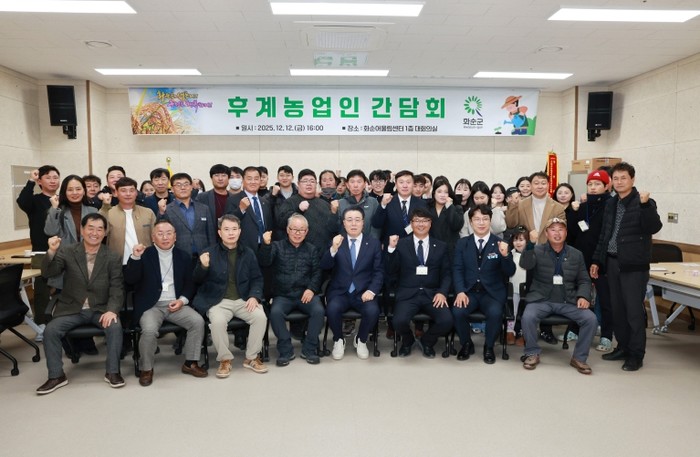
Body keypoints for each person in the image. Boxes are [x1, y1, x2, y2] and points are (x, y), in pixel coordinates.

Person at [37, 213, 125, 394]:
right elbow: (48, 273)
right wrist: (51, 251)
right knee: (51, 330)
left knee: (115, 326)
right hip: (72, 308)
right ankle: (56, 376)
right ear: (82, 230)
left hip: (100, 309)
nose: (95, 233)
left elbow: (117, 287)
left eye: (99, 229)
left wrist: (112, 310)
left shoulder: (112, 256)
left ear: (105, 233)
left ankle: (113, 372)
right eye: (90, 228)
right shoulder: (67, 251)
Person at [591, 162, 662, 371]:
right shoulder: (611, 203)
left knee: (633, 311)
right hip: (612, 262)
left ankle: (636, 354)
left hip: (634, 266)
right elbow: (604, 235)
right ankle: (622, 347)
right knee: (617, 310)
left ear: (632, 179)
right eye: (616, 178)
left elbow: (654, 227)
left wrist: (645, 205)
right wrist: (597, 260)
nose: (619, 182)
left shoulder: (644, 201)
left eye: (624, 178)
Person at [123, 220, 207, 386]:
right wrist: (135, 257)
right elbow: (130, 280)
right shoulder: (144, 254)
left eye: (169, 233)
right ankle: (146, 368)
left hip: (176, 303)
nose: (165, 237)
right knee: (149, 330)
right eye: (160, 234)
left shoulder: (183, 256)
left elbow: (190, 284)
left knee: (197, 322)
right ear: (153, 237)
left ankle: (190, 363)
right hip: (151, 306)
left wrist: (182, 300)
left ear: (175, 236)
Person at [193, 215, 268, 377]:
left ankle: (252, 357)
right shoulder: (208, 253)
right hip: (217, 301)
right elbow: (196, 280)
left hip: (243, 299)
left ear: (240, 231)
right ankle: (225, 360)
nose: (231, 233)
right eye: (226, 229)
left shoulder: (248, 253)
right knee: (218, 322)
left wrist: (254, 296)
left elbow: (257, 278)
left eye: (234, 229)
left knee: (260, 317)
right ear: (220, 232)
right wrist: (203, 266)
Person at [519, 218, 597, 374]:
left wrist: (583, 296)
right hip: (541, 299)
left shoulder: (576, 254)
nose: (557, 233)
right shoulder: (537, 250)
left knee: (590, 319)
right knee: (528, 316)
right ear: (546, 233)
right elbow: (525, 264)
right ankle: (532, 353)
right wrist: (530, 245)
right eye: (553, 229)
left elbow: (584, 280)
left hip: (567, 300)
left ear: (566, 233)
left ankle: (579, 358)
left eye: (561, 229)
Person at [259, 214, 325, 366]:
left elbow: (317, 273)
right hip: (283, 295)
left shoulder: (312, 249)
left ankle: (310, 348)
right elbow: (264, 261)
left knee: (318, 311)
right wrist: (266, 245)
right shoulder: (277, 246)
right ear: (288, 230)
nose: (297, 233)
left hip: (305, 294)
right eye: (294, 229)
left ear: (306, 231)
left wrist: (311, 289)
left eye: (301, 230)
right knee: (275, 313)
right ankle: (285, 350)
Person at [452, 205, 515, 364]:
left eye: (485, 219)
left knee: (495, 313)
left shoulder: (500, 243)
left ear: (490, 221)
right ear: (471, 222)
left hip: (492, 293)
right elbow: (457, 269)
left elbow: (510, 271)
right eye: (477, 219)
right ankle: (467, 344)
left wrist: (506, 255)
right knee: (458, 311)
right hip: (469, 291)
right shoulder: (462, 243)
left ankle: (489, 347)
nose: (481, 223)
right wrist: (460, 291)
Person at [387, 207, 453, 358]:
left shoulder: (441, 246)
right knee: (398, 321)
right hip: (408, 293)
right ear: (411, 224)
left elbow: (447, 274)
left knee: (447, 321)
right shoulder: (401, 244)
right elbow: (391, 270)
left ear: (430, 223)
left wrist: (442, 292)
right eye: (417, 221)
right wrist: (391, 249)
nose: (421, 224)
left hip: (433, 294)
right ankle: (408, 341)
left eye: (425, 221)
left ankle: (427, 342)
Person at [44, 174, 99, 355]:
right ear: (64, 192)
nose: (74, 192)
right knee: (69, 308)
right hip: (65, 266)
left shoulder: (92, 211)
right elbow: (50, 231)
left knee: (86, 304)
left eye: (78, 188)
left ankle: (86, 342)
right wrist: (54, 208)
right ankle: (70, 344)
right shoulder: (58, 211)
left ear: (84, 191)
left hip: (88, 265)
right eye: (70, 189)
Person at [321, 207, 383, 360]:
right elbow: (325, 266)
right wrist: (333, 249)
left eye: (357, 220)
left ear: (363, 223)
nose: (353, 223)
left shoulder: (373, 243)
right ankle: (338, 340)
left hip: (364, 292)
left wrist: (372, 291)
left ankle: (361, 339)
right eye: (349, 220)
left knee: (372, 310)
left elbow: (379, 271)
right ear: (344, 223)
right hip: (340, 292)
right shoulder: (337, 241)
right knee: (332, 308)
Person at [569, 169, 613, 351]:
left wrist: (597, 261)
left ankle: (606, 336)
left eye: (597, 184)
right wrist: (573, 211)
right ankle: (574, 328)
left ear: (606, 186)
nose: (593, 188)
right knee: (577, 296)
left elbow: (606, 237)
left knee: (605, 299)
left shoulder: (611, 206)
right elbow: (572, 232)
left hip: (602, 260)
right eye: (590, 184)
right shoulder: (583, 205)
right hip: (581, 259)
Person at [17, 165, 60, 328]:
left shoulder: (63, 199)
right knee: (42, 288)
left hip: (64, 249)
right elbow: (22, 201)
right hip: (41, 250)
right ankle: (41, 324)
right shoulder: (35, 200)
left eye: (55, 177)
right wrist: (30, 181)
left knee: (65, 286)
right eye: (48, 177)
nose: (53, 180)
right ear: (40, 181)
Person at [276, 169, 339, 252]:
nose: (309, 184)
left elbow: (332, 228)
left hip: (323, 252)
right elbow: (281, 223)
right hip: (298, 253)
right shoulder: (290, 202)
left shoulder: (324, 204)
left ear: (316, 184)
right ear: (298, 184)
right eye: (305, 181)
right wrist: (298, 211)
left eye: (312, 181)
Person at [161, 173, 216, 265]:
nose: (183, 188)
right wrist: (161, 213)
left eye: (186, 184)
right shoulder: (167, 210)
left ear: (191, 187)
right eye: (178, 185)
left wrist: (213, 255)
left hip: (203, 258)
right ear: (172, 189)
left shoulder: (204, 208)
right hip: (178, 258)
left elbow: (211, 235)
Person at [99, 177, 156, 264]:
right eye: (123, 191)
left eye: (131, 190)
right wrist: (104, 208)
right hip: (118, 263)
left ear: (136, 193)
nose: (128, 194)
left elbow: (156, 237)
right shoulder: (109, 213)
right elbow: (100, 232)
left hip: (146, 262)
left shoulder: (148, 212)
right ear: (116, 193)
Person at [372, 170, 428, 247]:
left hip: (414, 247)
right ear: (396, 184)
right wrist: (383, 205)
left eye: (408, 182)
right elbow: (376, 224)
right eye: (401, 182)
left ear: (413, 184)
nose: (405, 186)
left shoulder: (422, 204)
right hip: (392, 247)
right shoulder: (387, 202)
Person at [229, 166, 273, 251]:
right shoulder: (233, 200)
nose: (253, 182)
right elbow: (228, 223)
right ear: (243, 180)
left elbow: (269, 226)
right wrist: (241, 209)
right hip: (243, 250)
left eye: (256, 179)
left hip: (264, 248)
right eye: (249, 179)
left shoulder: (265, 202)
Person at [337, 169, 381, 239]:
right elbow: (338, 227)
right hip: (346, 242)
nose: (355, 185)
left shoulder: (373, 202)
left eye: (359, 182)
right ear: (347, 185)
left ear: (364, 184)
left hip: (369, 243)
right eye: (352, 182)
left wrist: (372, 242)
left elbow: (376, 226)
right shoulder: (340, 203)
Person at [427, 177, 464, 257]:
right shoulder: (427, 208)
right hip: (431, 251)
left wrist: (449, 207)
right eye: (439, 192)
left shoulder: (457, 208)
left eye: (446, 192)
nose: (443, 195)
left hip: (450, 252)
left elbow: (456, 226)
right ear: (434, 193)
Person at [268, 165, 297, 241]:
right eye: (282, 175)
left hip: (297, 234)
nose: (284, 178)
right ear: (277, 177)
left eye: (288, 175)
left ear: (292, 177)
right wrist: (273, 196)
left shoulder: (298, 193)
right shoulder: (270, 193)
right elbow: (266, 212)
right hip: (277, 236)